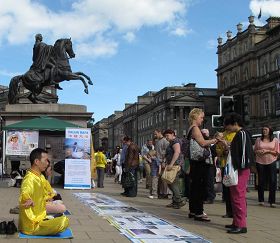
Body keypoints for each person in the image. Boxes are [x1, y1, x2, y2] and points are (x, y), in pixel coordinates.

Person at [19, 148, 69, 235]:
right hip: (32, 224)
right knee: (63, 221)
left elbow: (46, 192)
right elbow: (25, 190)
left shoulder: (40, 176)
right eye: (45, 160)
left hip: (41, 215)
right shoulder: (29, 178)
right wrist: (27, 199)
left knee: (62, 215)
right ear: (37, 161)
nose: (47, 163)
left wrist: (51, 196)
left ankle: (47, 219)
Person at [222, 113, 255, 234]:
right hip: (238, 168)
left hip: (241, 169)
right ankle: (236, 221)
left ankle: (241, 224)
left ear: (235, 124)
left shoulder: (242, 134)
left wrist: (240, 167)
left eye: (228, 125)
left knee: (238, 196)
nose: (227, 128)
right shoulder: (239, 134)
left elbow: (245, 153)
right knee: (234, 196)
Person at [188, 108, 216, 221]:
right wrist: (215, 140)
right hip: (199, 161)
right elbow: (203, 143)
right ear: (195, 117)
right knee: (199, 187)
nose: (202, 119)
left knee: (194, 187)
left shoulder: (191, 128)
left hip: (194, 161)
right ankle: (199, 212)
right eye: (201, 117)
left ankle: (193, 211)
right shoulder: (195, 128)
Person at [254, 126, 279, 207]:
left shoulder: (275, 140)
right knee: (261, 181)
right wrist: (259, 151)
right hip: (260, 161)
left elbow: (277, 152)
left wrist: (268, 151)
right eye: (263, 129)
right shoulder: (258, 139)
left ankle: (272, 201)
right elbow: (255, 150)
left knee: (272, 181)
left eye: (266, 130)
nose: (264, 131)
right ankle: (261, 200)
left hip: (271, 161)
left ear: (270, 131)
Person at [216, 129, 236, 219]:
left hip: (234, 165)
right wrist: (223, 152)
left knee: (236, 189)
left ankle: (239, 212)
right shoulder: (222, 135)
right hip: (225, 164)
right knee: (227, 190)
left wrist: (229, 149)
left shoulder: (237, 134)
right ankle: (229, 212)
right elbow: (218, 149)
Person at [163, 129, 185, 209]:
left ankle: (179, 200)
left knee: (173, 183)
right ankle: (175, 201)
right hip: (172, 165)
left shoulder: (176, 141)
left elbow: (177, 152)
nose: (166, 138)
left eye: (167, 136)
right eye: (165, 136)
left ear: (173, 134)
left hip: (176, 165)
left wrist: (171, 164)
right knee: (170, 182)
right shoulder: (171, 142)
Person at [201, 129, 216, 204]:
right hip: (205, 163)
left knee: (209, 181)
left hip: (209, 164)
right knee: (206, 181)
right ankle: (207, 196)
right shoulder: (204, 142)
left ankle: (210, 197)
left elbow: (213, 153)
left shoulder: (209, 143)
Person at [154, 129, 169, 199]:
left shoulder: (165, 141)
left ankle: (165, 193)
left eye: (155, 134)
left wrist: (164, 161)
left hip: (162, 162)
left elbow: (167, 152)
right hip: (157, 162)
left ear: (160, 133)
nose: (155, 135)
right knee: (159, 178)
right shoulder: (157, 141)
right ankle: (160, 192)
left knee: (163, 178)